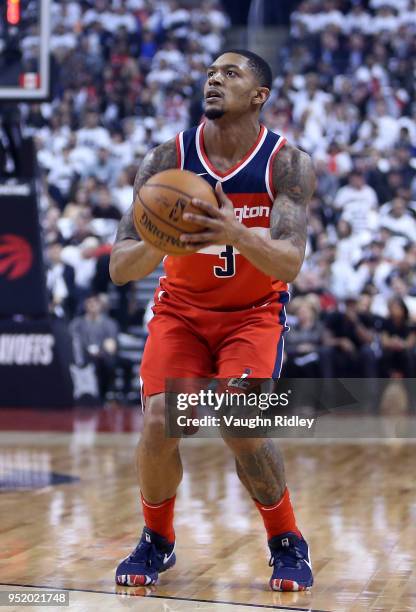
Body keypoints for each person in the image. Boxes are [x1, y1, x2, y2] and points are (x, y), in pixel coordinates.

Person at [109, 50, 315, 592]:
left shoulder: (287, 163)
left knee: (241, 424)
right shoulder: (165, 161)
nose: (214, 80)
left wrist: (233, 233)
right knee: (159, 423)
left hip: (253, 315)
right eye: (210, 74)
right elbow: (119, 268)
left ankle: (286, 539)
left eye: (231, 73)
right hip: (181, 312)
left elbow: (290, 261)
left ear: (259, 95)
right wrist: (163, 235)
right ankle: (156, 539)